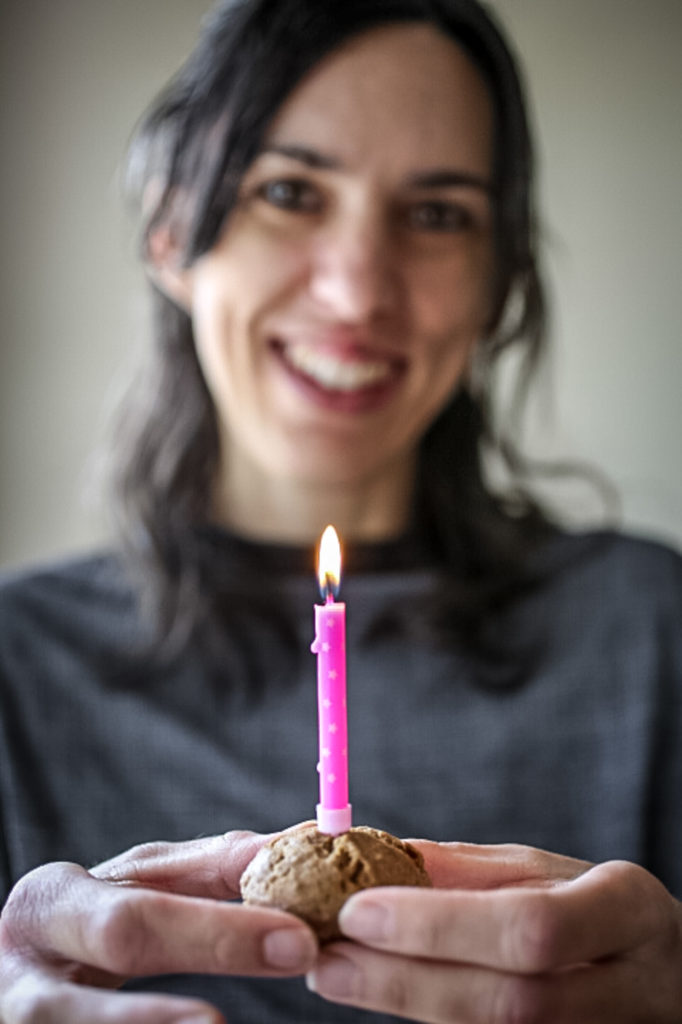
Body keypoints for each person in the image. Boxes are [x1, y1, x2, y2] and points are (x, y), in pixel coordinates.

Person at [0, 0, 680, 1021]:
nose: (359, 291)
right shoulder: (17, 667)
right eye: (289, 191)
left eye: (438, 212)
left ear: (497, 283)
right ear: (172, 230)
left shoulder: (649, 628)